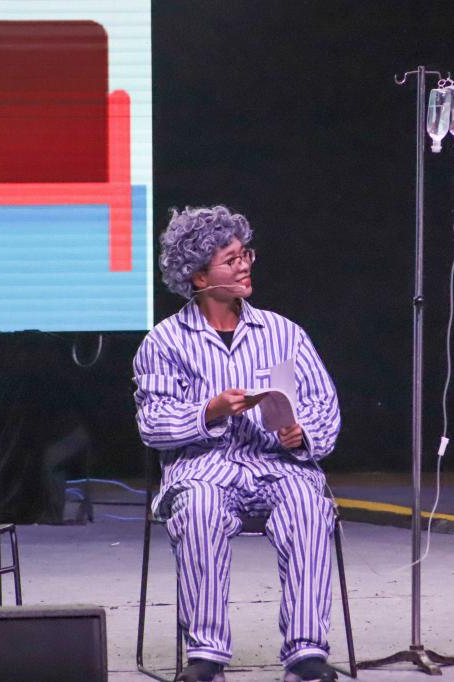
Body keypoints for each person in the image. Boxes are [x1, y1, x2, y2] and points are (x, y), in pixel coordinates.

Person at [132, 205, 342, 682]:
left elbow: (325, 409)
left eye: (245, 254)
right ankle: (206, 656)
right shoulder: (164, 342)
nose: (244, 265)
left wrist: (302, 433)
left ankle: (306, 653)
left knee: (309, 506)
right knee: (200, 509)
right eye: (230, 260)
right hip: (204, 472)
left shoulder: (285, 334)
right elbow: (153, 423)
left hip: (279, 469)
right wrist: (210, 411)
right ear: (199, 276)